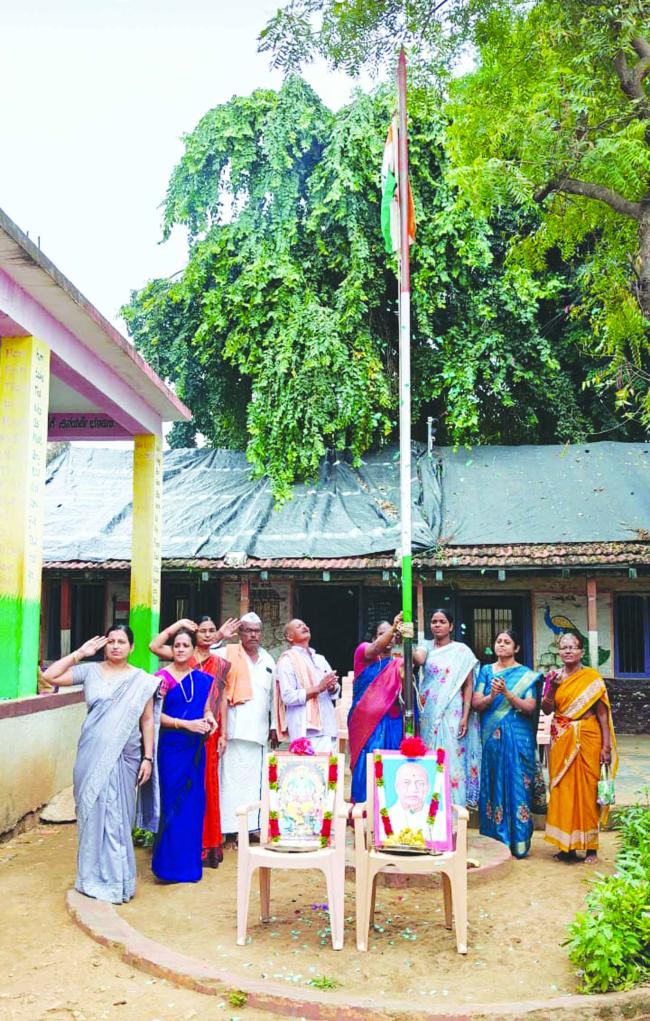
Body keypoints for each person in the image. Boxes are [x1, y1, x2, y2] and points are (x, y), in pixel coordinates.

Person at [41, 624, 159, 903]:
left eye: (121, 642)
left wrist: (148, 757)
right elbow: (49, 676)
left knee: (119, 819)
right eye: (111, 641)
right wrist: (79, 653)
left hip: (126, 758)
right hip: (91, 756)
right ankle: (91, 880)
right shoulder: (90, 671)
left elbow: (147, 720)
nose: (115, 646)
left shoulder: (141, 680)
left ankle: (118, 883)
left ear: (131, 647)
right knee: (92, 816)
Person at [150, 615, 237, 868]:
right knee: (173, 795)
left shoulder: (220, 665)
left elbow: (220, 699)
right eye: (203, 631)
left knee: (204, 791)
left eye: (213, 631)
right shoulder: (175, 665)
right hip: (175, 739)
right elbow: (154, 646)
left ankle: (205, 847)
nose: (208, 635)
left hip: (206, 734)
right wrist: (179, 625)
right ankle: (173, 853)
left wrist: (223, 732)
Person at [542, 631, 617, 864]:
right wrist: (552, 689)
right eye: (563, 647)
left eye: (572, 647)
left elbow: (603, 715)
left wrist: (606, 746)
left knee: (587, 791)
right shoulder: (553, 677)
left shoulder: (592, 678)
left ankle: (591, 846)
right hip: (562, 738)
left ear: (581, 651)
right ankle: (567, 847)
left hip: (588, 736)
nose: (567, 651)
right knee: (562, 790)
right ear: (559, 651)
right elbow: (546, 709)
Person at [472, 629, 541, 858]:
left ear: (516, 648)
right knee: (494, 783)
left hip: (518, 736)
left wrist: (508, 694)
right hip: (492, 738)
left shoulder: (526, 675)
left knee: (518, 784)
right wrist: (492, 696)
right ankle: (495, 841)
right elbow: (476, 703)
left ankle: (519, 842)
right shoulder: (485, 671)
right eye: (499, 641)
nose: (502, 645)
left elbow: (530, 706)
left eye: (507, 642)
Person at [216, 612, 278, 838]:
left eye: (257, 630)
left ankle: (252, 828)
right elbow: (204, 654)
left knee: (255, 784)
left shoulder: (268, 660)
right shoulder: (227, 652)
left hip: (259, 732)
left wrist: (274, 727)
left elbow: (273, 697)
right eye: (248, 630)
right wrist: (219, 636)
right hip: (233, 731)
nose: (253, 634)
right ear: (240, 633)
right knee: (230, 784)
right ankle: (229, 830)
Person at [415, 609, 481, 807]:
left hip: (453, 711)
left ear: (451, 626)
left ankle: (454, 812)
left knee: (453, 758)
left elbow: (468, 685)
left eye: (442, 621)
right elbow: (418, 660)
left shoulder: (461, 651)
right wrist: (407, 640)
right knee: (430, 756)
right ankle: (430, 809)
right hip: (429, 711)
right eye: (434, 621)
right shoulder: (425, 647)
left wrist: (465, 715)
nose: (437, 625)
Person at [348, 613, 408, 804]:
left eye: (392, 633)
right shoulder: (363, 652)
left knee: (392, 763)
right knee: (367, 763)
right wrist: (394, 626)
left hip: (393, 720)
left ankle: (389, 812)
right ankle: (363, 812)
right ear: (374, 637)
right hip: (365, 722)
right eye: (383, 633)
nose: (389, 637)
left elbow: (407, 695)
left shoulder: (399, 662)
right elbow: (375, 648)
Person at [275, 619, 339, 752]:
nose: (305, 627)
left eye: (305, 625)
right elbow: (287, 696)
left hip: (328, 728)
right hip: (305, 732)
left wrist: (332, 687)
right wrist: (318, 688)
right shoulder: (287, 661)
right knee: (306, 773)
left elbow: (335, 691)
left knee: (330, 772)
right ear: (289, 637)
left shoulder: (319, 659)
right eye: (299, 627)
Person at [387, 761, 434, 841]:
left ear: (428, 788)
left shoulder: (440, 819)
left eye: (420, 783)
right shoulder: (384, 817)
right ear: (397, 787)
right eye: (406, 783)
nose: (413, 789)